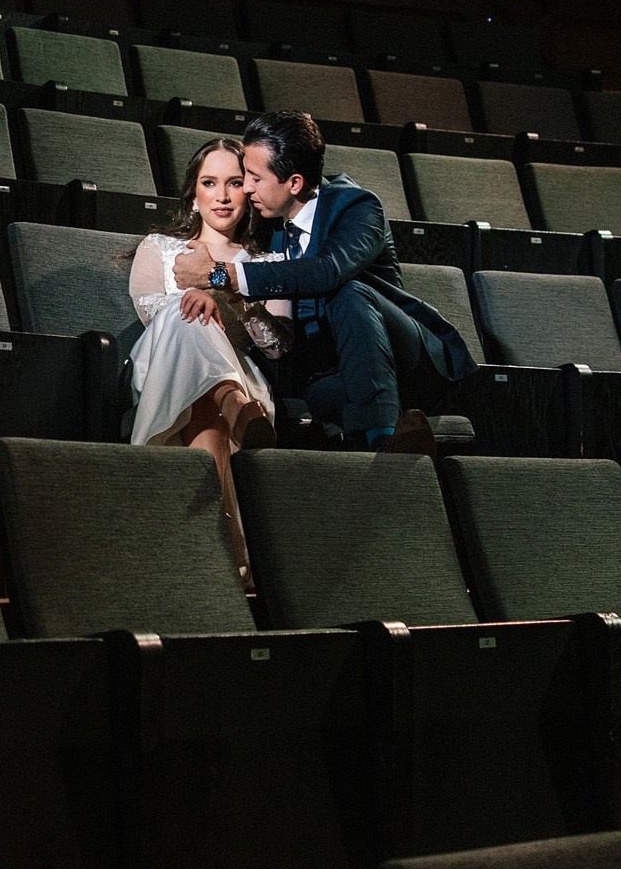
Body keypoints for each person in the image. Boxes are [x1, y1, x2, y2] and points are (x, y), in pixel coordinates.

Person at [172, 110, 475, 453]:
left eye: (254, 178)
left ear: (295, 183)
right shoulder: (268, 221)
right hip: (334, 369)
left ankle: (385, 439)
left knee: (350, 291)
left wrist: (222, 275)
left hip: (403, 357)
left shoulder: (357, 208)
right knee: (318, 395)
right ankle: (380, 441)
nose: (246, 188)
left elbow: (327, 270)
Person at [128, 137, 292, 553]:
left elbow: (276, 347)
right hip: (162, 363)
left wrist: (230, 292)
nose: (222, 196)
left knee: (205, 392)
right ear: (193, 194)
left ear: (249, 192)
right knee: (187, 319)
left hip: (238, 371)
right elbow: (151, 314)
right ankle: (232, 405)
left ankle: (223, 538)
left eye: (235, 183)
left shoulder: (268, 266)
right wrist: (200, 297)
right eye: (209, 183)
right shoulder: (159, 248)